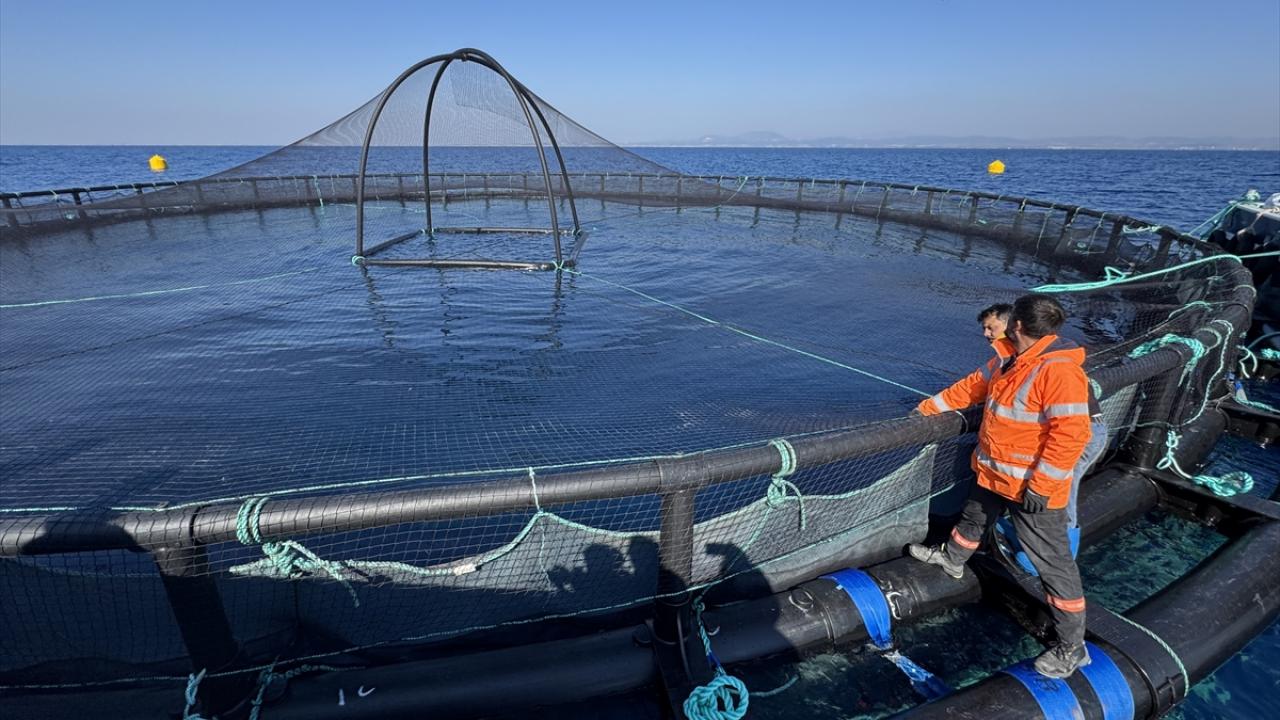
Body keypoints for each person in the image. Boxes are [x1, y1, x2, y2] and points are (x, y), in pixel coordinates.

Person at [908, 293, 1093, 678]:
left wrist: (1042, 486)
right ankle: (952, 560)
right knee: (973, 518)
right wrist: (925, 411)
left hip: (1030, 488)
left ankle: (1072, 647)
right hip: (994, 473)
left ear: (1017, 325)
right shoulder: (1009, 359)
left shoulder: (1058, 370)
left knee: (1053, 563)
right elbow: (969, 389)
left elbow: (1072, 434)